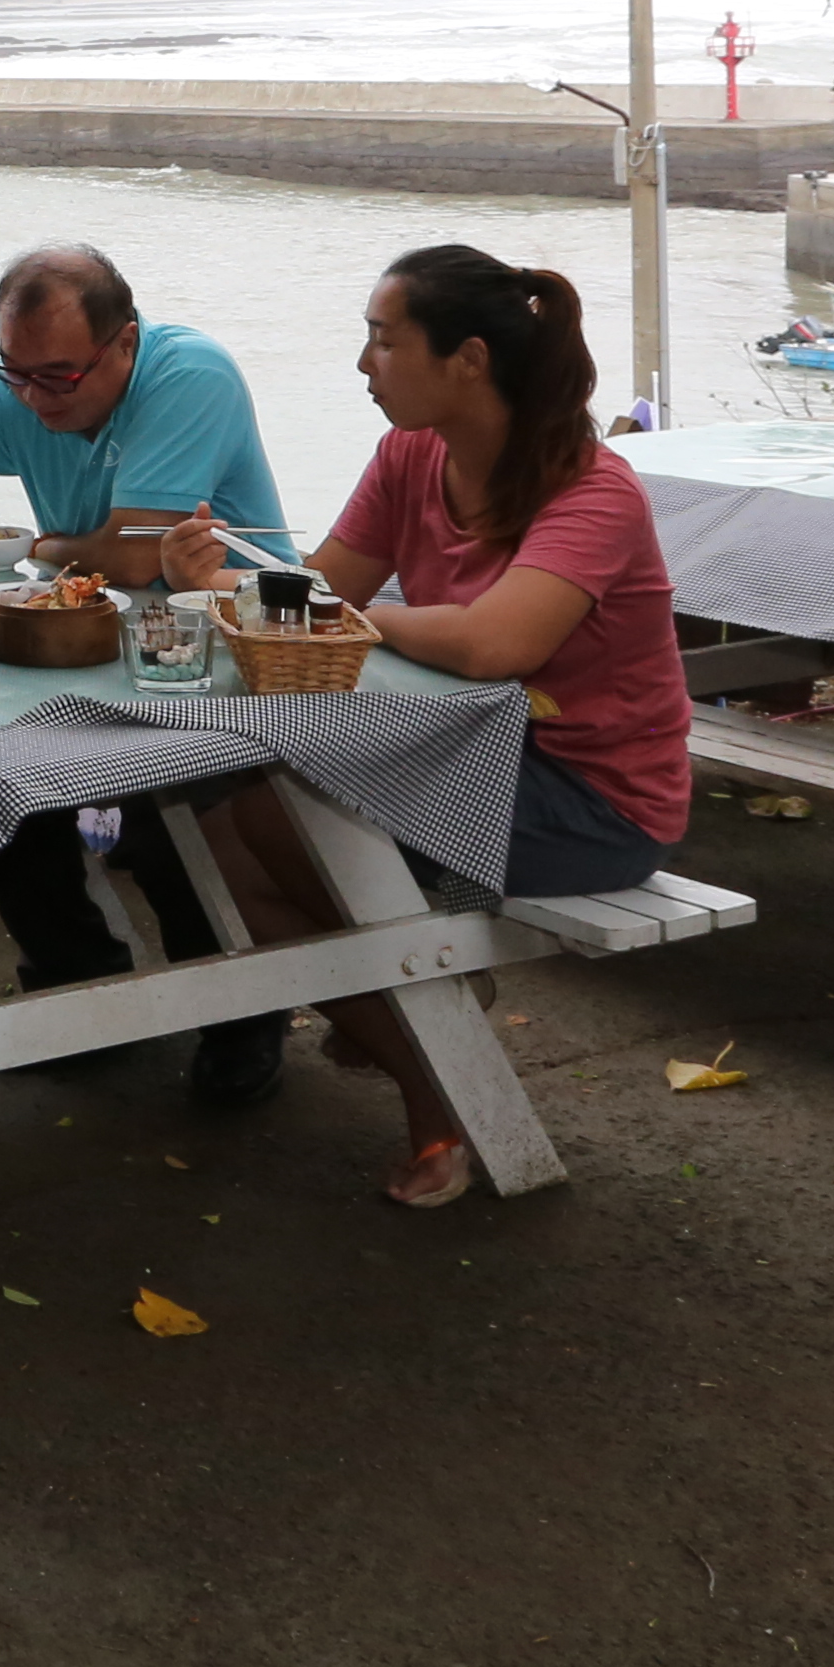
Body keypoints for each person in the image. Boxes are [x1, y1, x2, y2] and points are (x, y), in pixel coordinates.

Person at [204, 244, 693, 1209]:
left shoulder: (595, 493)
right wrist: (217, 578)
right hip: (461, 757)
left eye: (384, 343)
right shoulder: (409, 455)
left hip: (593, 801)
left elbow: (489, 645)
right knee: (216, 842)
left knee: (272, 812)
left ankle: (435, 1080)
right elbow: (320, 589)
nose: (364, 366)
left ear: (467, 359)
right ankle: (429, 1029)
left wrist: (346, 617)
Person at [0, 243, 300, 1087]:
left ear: (123, 344)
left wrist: (46, 545)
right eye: (13, 371)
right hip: (92, 646)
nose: (31, 398)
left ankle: (239, 1012)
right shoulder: (20, 384)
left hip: (218, 648)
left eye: (58, 377)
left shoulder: (189, 375)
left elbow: (136, 560)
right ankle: (78, 987)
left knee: (172, 805)